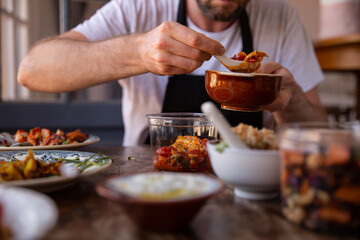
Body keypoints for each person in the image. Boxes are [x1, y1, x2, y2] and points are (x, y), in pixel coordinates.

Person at [17, 0, 328, 146]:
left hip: (248, 184)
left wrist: (289, 99)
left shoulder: (281, 16)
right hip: (147, 178)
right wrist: (136, 51)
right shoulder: (137, 8)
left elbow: (319, 131)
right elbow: (33, 70)